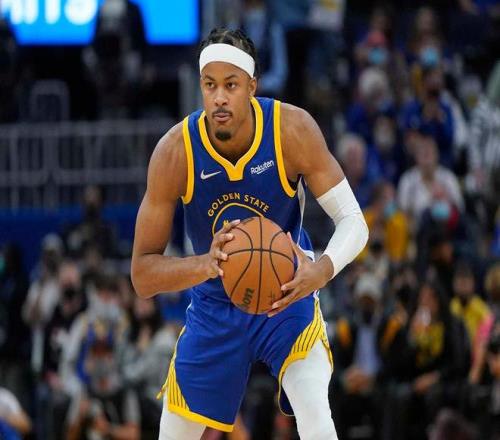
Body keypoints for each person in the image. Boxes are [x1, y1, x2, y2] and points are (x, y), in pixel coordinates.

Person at [131, 28, 369, 439]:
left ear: (252, 87)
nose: (219, 98)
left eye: (231, 85)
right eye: (210, 85)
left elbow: (354, 220)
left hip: (287, 291)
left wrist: (321, 270)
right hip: (214, 305)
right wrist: (206, 265)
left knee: (314, 410)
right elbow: (142, 276)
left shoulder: (291, 130)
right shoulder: (175, 152)